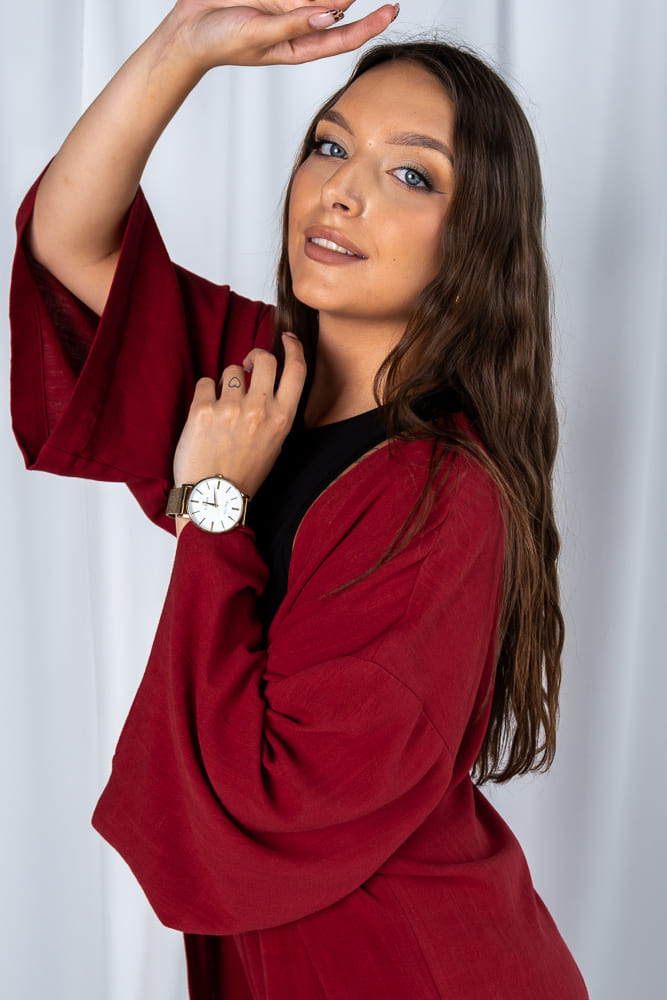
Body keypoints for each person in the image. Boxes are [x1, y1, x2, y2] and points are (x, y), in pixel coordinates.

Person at [9, 1, 590, 997]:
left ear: (472, 244)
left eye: (410, 174)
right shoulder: (257, 376)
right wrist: (184, 46)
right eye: (329, 145)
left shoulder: (445, 498)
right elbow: (68, 242)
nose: (341, 192)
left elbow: (278, 794)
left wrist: (213, 497)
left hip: (406, 965)